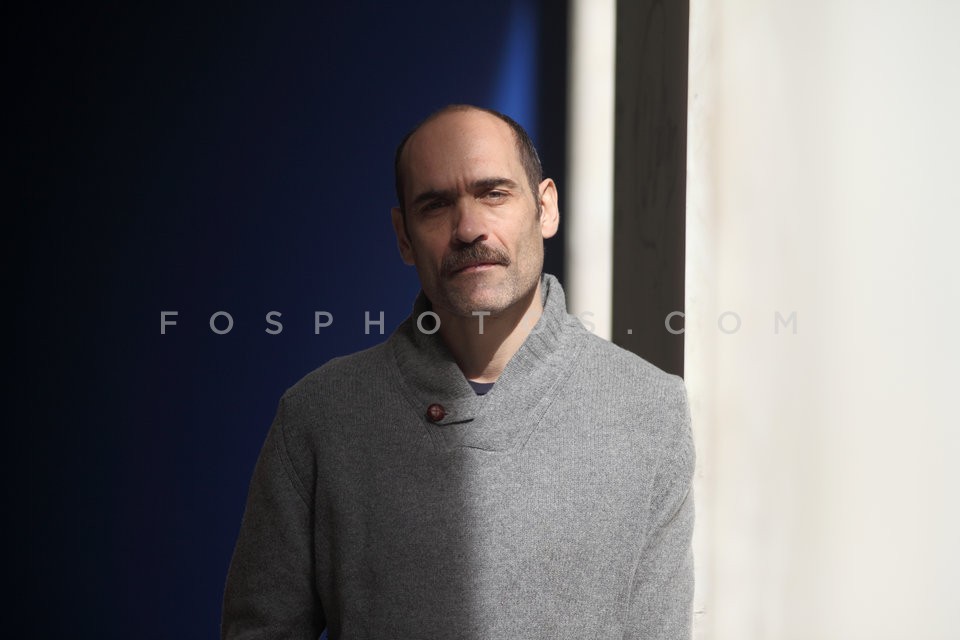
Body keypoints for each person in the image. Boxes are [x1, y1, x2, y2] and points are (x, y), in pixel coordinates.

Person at [221, 105, 695, 639]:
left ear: (545, 209)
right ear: (404, 237)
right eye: (436, 205)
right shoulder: (320, 416)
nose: (469, 229)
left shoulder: (648, 409)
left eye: (493, 193)